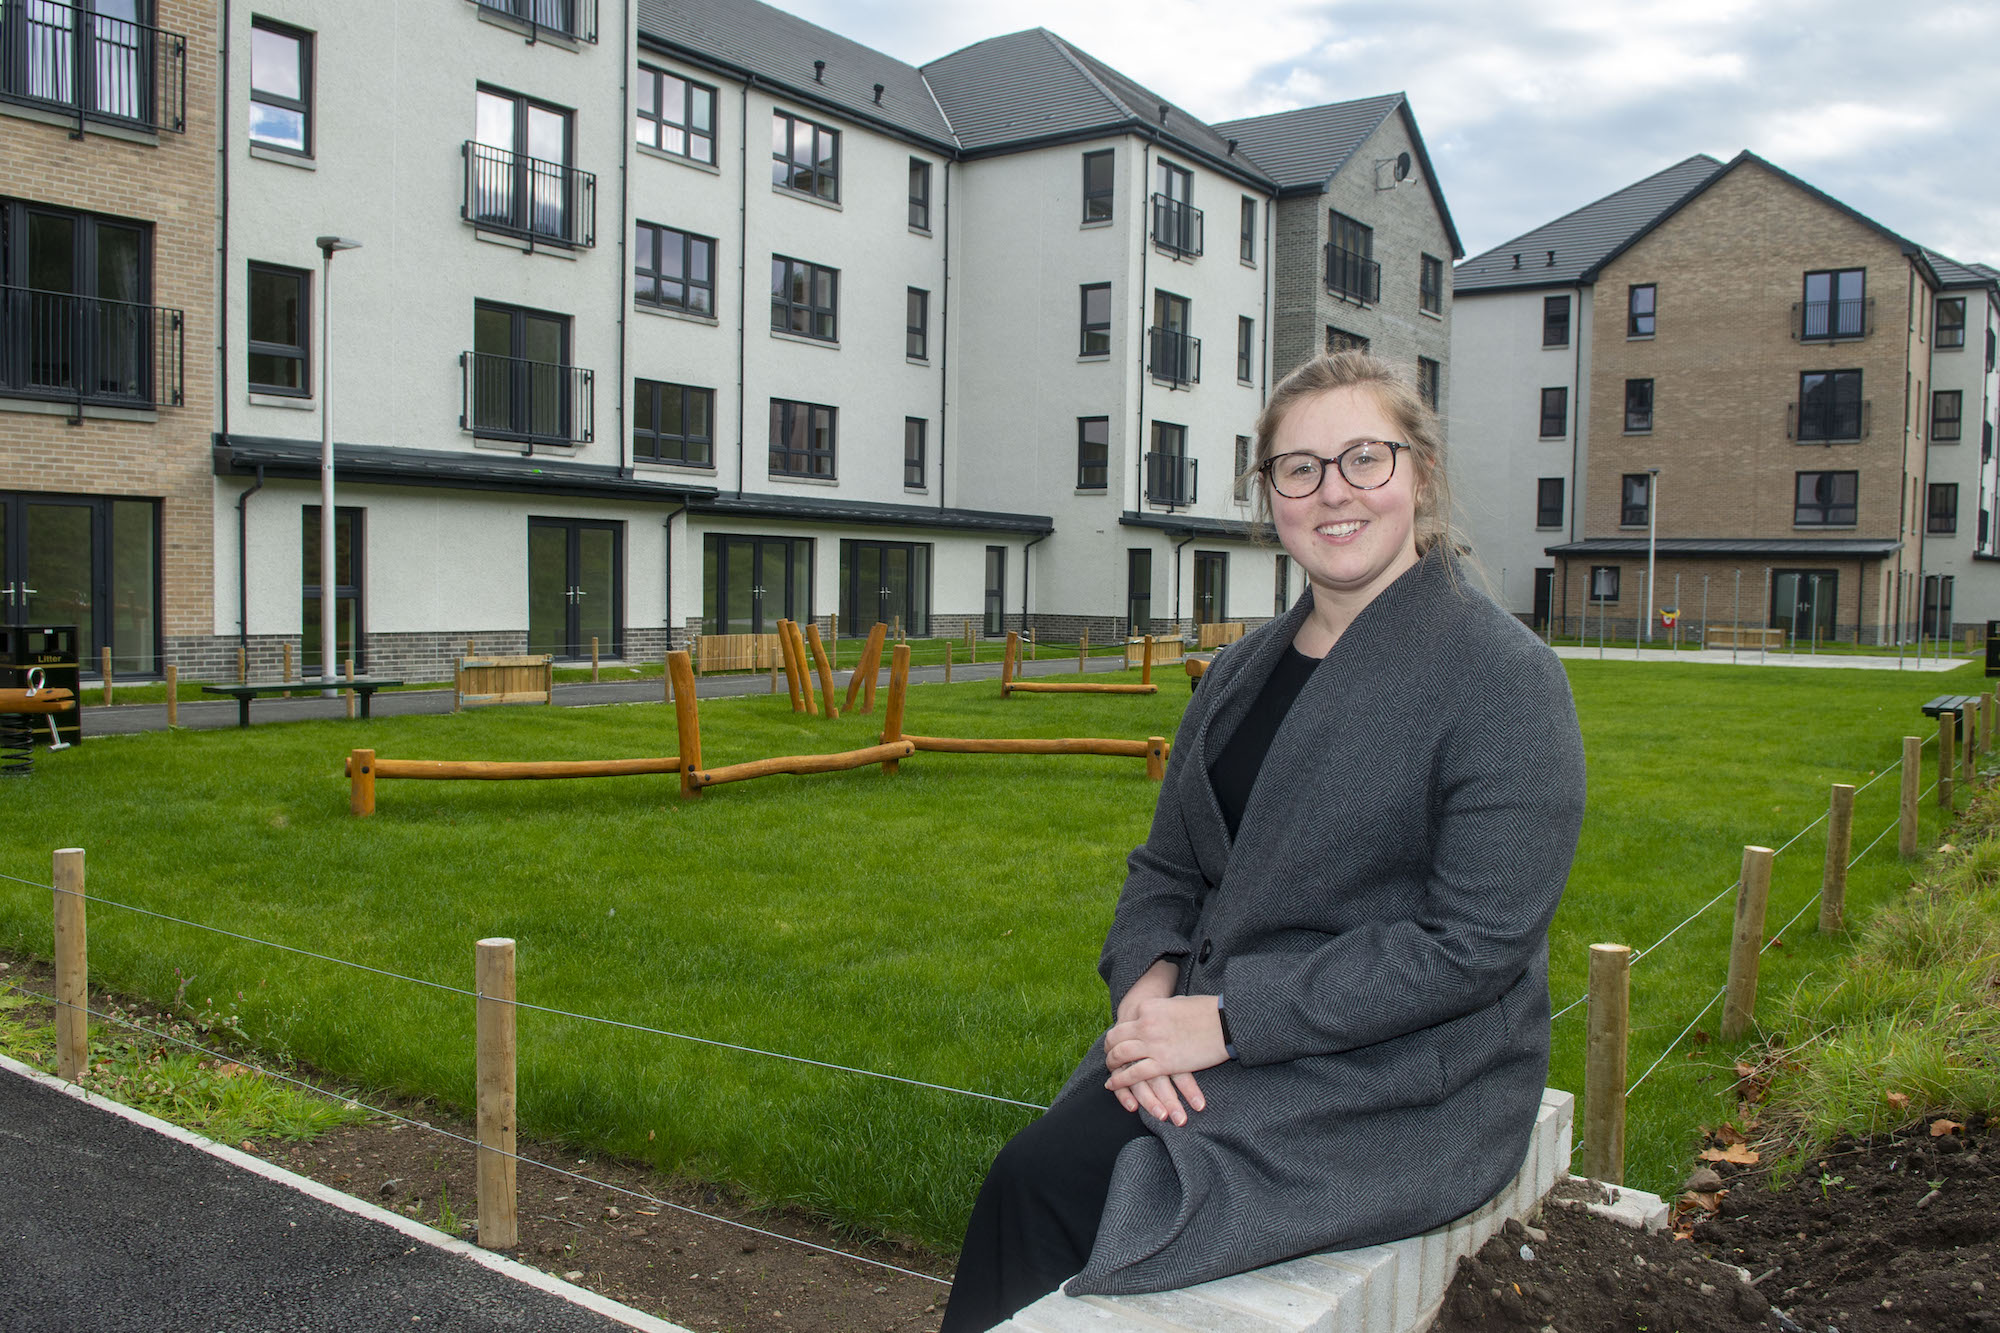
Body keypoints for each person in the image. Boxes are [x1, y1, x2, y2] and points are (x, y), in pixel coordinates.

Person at [940, 351, 1587, 1331]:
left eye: (1362, 459)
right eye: (1298, 468)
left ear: (1417, 472)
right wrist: (1148, 996)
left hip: (1398, 1072)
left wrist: (1228, 1019)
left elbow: (1471, 947)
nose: (1332, 493)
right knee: (1032, 1182)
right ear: (1267, 495)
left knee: (1074, 1194)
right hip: (1209, 1032)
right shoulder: (1240, 670)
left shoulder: (1501, 680)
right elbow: (1167, 866)